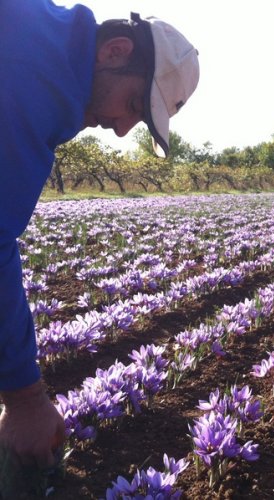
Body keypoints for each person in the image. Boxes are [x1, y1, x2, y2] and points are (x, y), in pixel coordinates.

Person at [0, 0, 199, 469]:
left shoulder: (40, 37)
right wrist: (25, 395)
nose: (121, 129)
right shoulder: (33, 78)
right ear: (114, 51)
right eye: (133, 105)